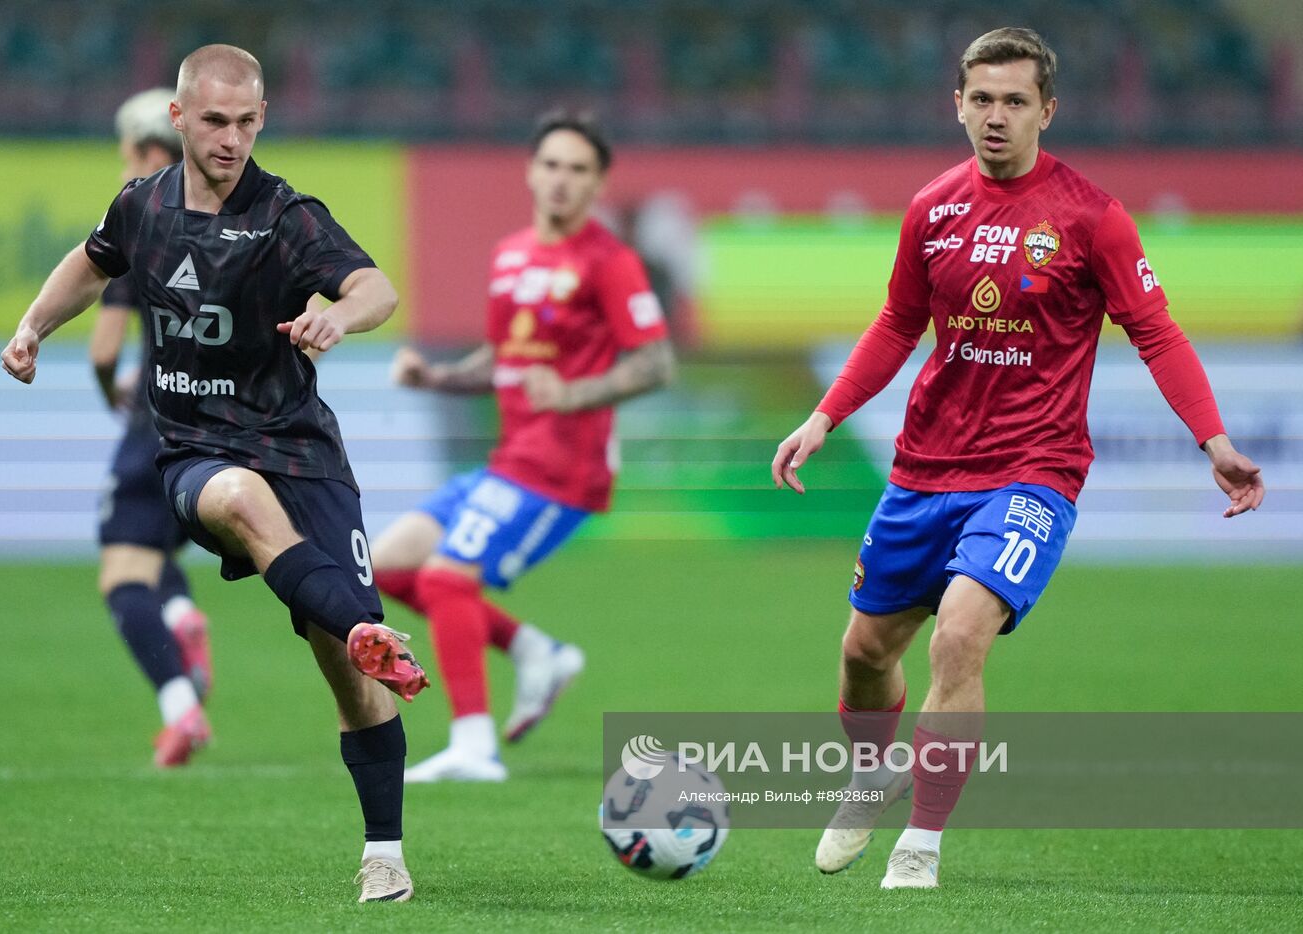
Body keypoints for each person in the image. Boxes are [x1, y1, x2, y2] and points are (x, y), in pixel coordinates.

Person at [770, 27, 1264, 891]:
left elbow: (1155, 330)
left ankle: (921, 843)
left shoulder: (1093, 217)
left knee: (960, 637)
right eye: (983, 100)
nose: (997, 117)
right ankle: (869, 773)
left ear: (1047, 110)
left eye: (1015, 101)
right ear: (956, 105)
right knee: (863, 652)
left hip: (1033, 470)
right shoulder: (932, 208)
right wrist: (825, 414)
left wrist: (1213, 440)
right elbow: (897, 323)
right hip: (926, 468)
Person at [2, 44, 428, 904]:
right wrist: (32, 326)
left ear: (261, 119)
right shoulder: (143, 206)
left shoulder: (286, 215)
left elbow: (377, 288)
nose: (231, 140)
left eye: (246, 123)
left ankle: (384, 851)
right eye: (214, 122)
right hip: (196, 453)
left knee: (341, 667)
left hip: (303, 451)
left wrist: (339, 318)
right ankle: (361, 626)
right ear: (179, 120)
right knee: (237, 497)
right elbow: (90, 262)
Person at [373, 111, 676, 783]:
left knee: (448, 577)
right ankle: (535, 651)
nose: (562, 181)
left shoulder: (610, 262)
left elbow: (655, 363)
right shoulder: (511, 253)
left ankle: (473, 744)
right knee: (388, 567)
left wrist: (571, 395)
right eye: (552, 166)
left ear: (598, 184)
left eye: (578, 170)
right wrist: (440, 377)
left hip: (563, 468)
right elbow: (502, 356)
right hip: (511, 460)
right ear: (531, 172)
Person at [89, 88, 215, 768]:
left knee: (121, 573)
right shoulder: (238, 217)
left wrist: (112, 391)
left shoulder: (138, 222)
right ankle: (178, 612)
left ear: (144, 150)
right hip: (225, 434)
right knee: (160, 555)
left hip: (154, 426)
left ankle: (178, 703)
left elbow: (105, 350)